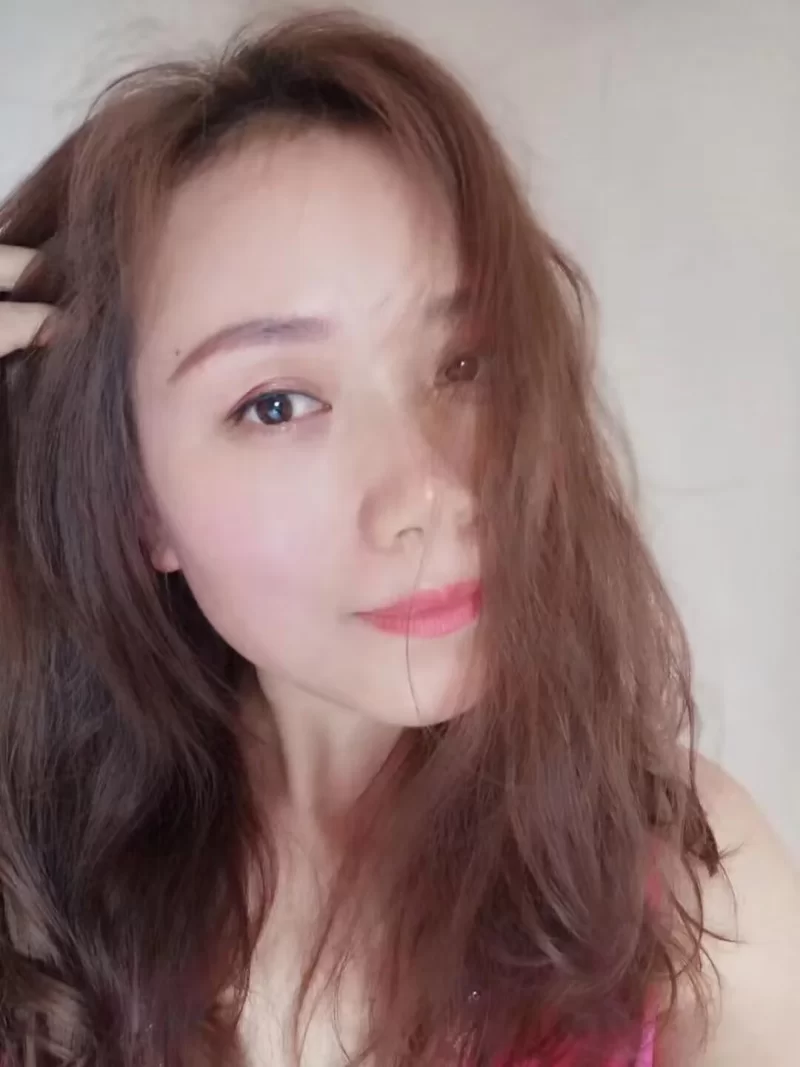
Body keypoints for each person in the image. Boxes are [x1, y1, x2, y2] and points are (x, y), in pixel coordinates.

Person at [0, 10, 796, 1067]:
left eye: (464, 364)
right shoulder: (34, 899)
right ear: (137, 502)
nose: (431, 489)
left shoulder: (690, 885)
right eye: (277, 403)